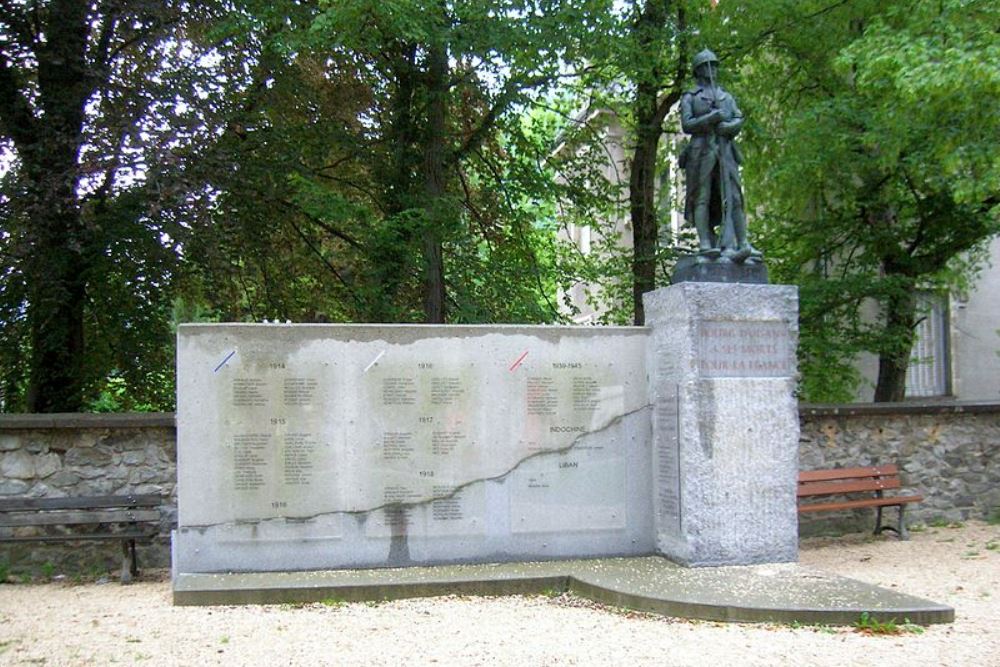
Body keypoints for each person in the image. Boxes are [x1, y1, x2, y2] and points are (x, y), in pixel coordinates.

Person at [679, 49, 760, 263]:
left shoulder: (726, 97)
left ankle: (742, 243)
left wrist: (728, 126)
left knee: (734, 196)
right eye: (708, 66)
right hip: (701, 151)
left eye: (714, 65)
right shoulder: (690, 97)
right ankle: (706, 244)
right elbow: (687, 124)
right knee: (701, 196)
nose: (712, 69)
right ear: (698, 70)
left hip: (725, 151)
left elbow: (738, 119)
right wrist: (711, 118)